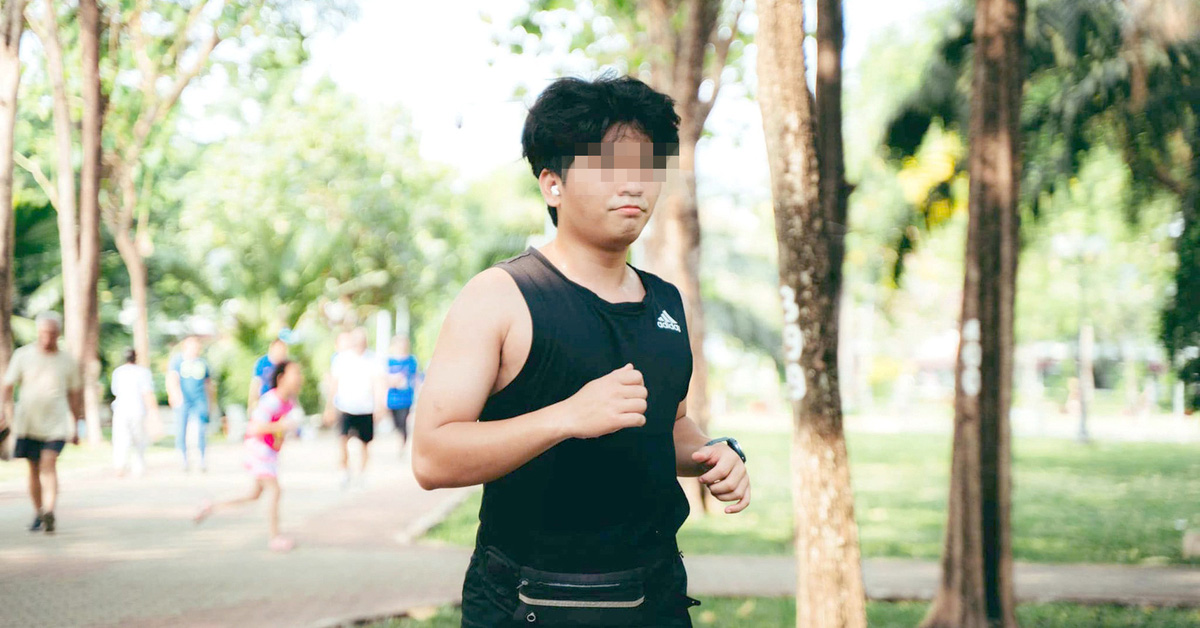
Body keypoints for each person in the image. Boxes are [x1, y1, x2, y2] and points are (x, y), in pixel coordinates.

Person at [412, 75, 751, 627]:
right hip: (531, 601)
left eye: (646, 167)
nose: (634, 186)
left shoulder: (665, 301)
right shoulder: (501, 298)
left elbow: (668, 424)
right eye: (609, 169)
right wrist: (566, 417)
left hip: (656, 595)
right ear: (553, 184)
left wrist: (712, 456)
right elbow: (432, 456)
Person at [194, 360, 304, 552]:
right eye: (294, 373)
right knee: (275, 491)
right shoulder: (271, 400)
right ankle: (274, 537)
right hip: (259, 450)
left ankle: (211, 506)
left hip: (269, 452)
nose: (299, 378)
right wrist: (281, 427)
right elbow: (255, 427)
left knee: (253, 495)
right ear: (281, 378)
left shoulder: (289, 403)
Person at [0, 312, 83, 534]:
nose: (48, 338)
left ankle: (50, 510)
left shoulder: (67, 360)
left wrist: (76, 423)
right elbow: (7, 385)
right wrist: (4, 412)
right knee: (33, 468)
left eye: (53, 334)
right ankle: (39, 512)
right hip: (28, 421)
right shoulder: (23, 355)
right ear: (39, 333)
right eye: (45, 333)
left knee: (49, 463)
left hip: (57, 422)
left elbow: (75, 394)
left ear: (59, 334)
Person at [324, 328, 384, 487]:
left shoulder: (373, 359)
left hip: (365, 408)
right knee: (342, 440)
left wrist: (380, 406)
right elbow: (334, 384)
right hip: (345, 406)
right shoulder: (341, 359)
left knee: (365, 443)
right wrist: (329, 406)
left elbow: (378, 384)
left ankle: (362, 473)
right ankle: (344, 470)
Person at [167, 336, 220, 472]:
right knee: (181, 429)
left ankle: (202, 459)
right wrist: (175, 396)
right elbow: (172, 378)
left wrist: (211, 403)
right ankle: (183, 459)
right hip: (184, 400)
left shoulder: (202, 363)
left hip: (199, 400)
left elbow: (208, 384)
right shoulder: (178, 360)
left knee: (201, 430)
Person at [110, 349, 157, 477]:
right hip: (137, 410)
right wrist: (153, 411)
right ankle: (138, 467)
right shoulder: (143, 372)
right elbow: (147, 392)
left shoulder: (118, 372)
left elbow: (115, 391)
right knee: (139, 440)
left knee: (121, 439)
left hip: (121, 409)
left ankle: (120, 465)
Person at [384, 335, 420, 456]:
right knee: (396, 423)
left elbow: (415, 378)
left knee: (403, 421)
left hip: (406, 398)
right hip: (392, 398)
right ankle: (399, 438)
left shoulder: (411, 361)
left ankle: (402, 444)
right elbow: (382, 379)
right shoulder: (389, 361)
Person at [248, 337, 289, 413]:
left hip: (280, 404)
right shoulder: (262, 363)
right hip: (263, 403)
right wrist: (252, 406)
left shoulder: (285, 365)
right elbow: (255, 385)